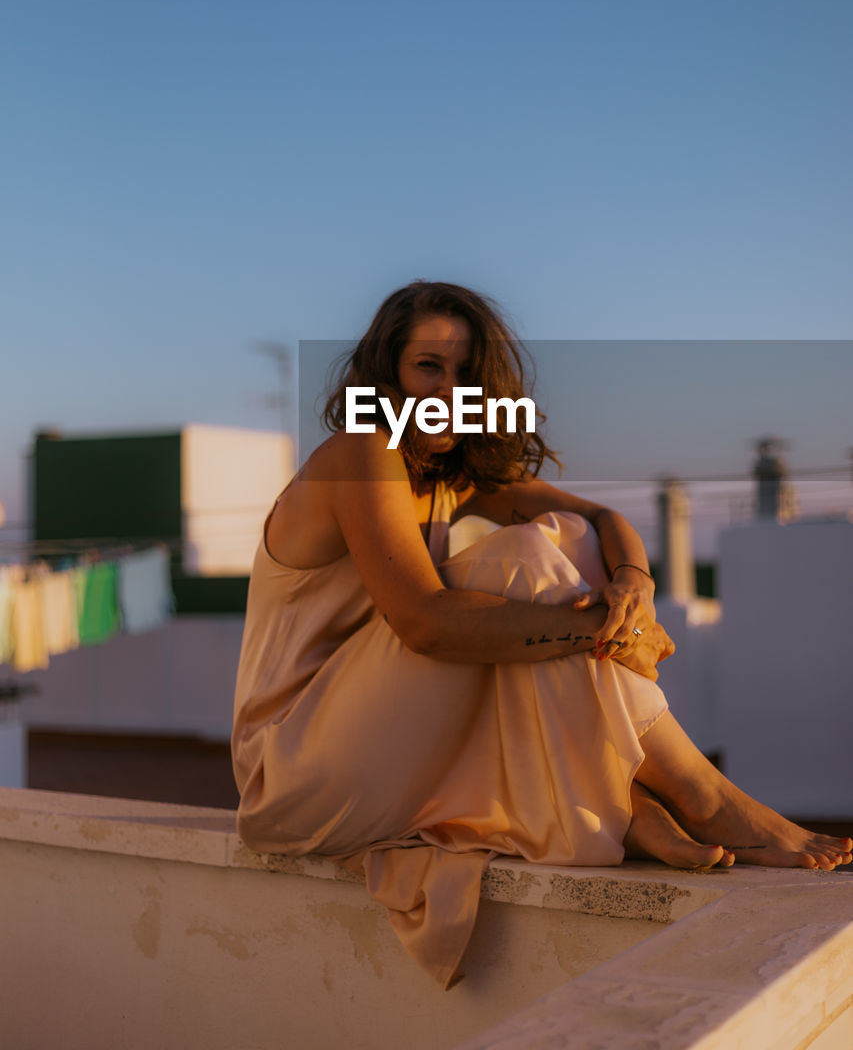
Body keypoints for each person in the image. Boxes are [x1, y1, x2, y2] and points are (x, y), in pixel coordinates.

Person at [231, 281, 851, 987]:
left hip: (366, 749)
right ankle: (701, 797)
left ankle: (621, 799)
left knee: (560, 538)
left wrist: (631, 585)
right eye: (428, 368)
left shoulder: (453, 480)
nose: (448, 390)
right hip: (292, 768)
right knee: (516, 560)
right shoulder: (359, 451)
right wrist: (607, 633)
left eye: (467, 374)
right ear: (388, 377)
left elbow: (597, 519)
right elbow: (424, 624)